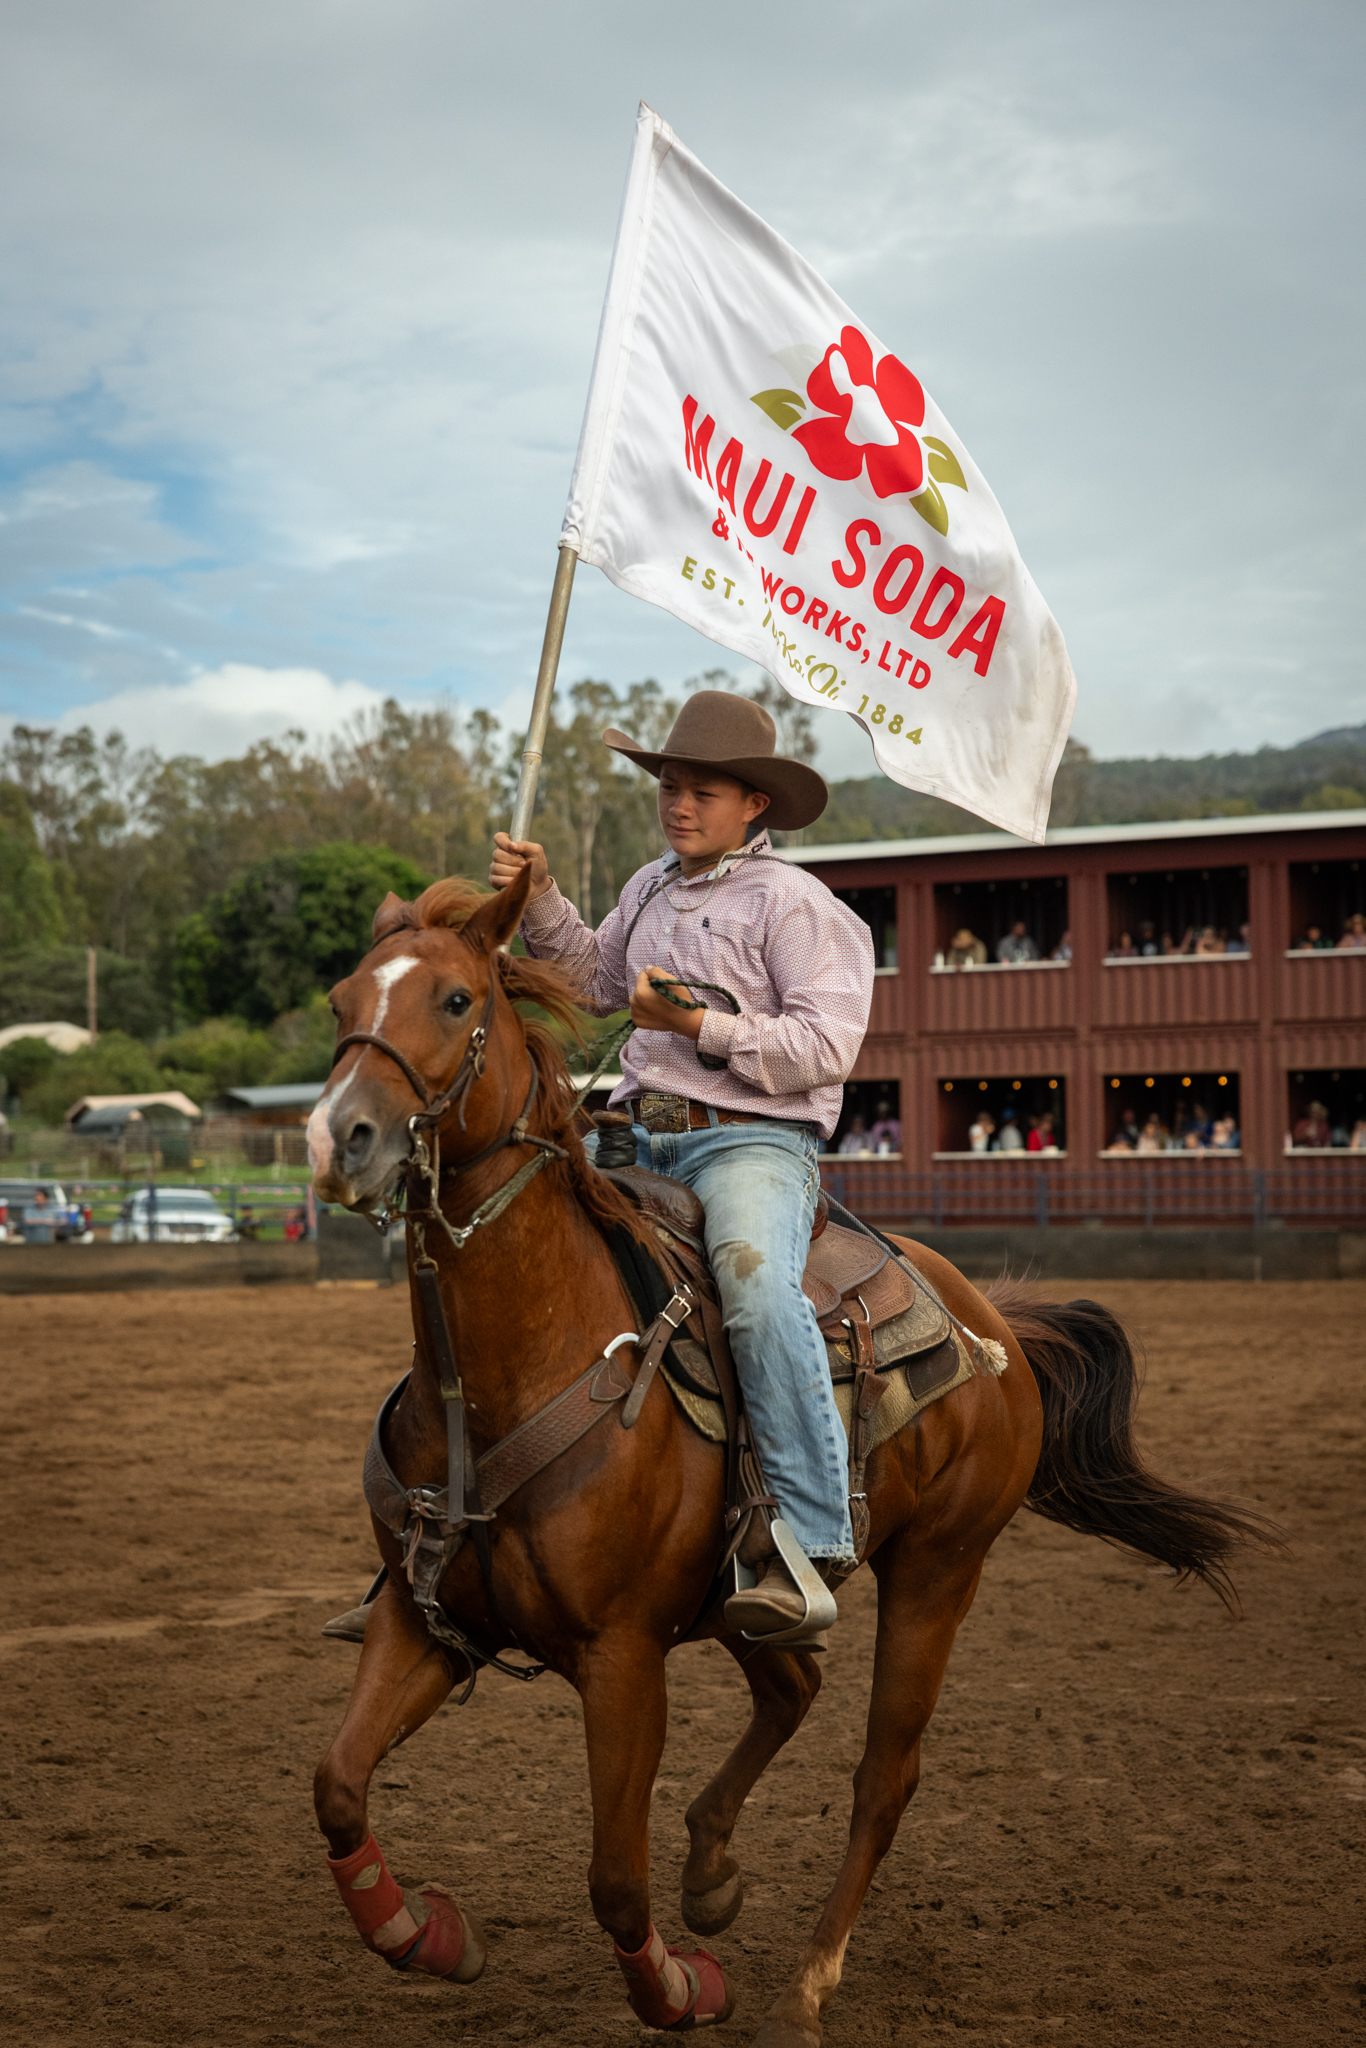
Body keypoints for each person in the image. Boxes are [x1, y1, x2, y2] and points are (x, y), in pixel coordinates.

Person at [490, 689, 874, 1647]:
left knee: (754, 1288)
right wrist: (538, 895)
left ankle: (810, 1538)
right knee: (499, 1232)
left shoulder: (798, 905)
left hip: (751, 1140)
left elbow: (826, 1048)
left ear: (755, 805)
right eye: (670, 786)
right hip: (636, 1131)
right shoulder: (649, 888)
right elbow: (591, 981)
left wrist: (698, 1025)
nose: (679, 805)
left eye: (703, 791)